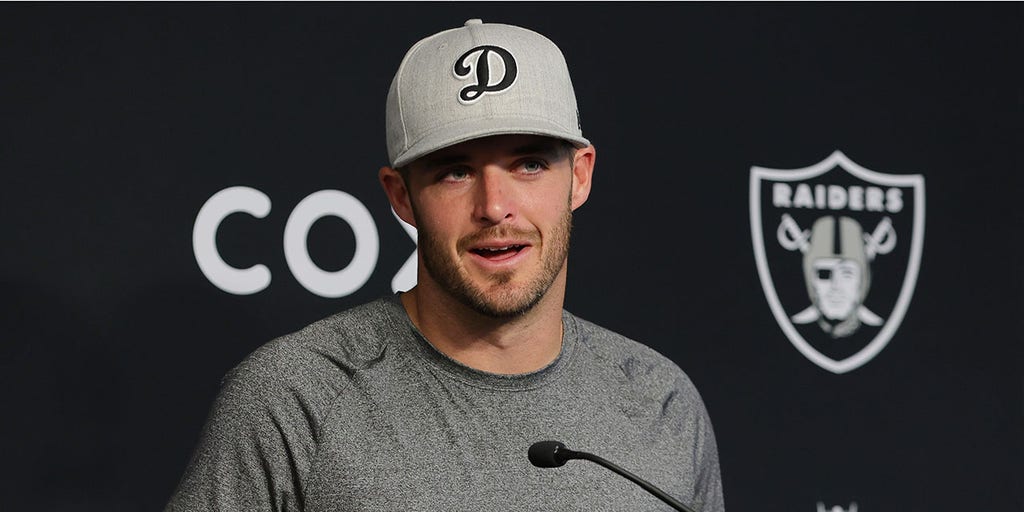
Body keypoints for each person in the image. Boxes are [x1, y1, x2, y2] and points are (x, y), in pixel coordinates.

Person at [166, 19, 725, 511]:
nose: (494, 206)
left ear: (580, 175)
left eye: (529, 163)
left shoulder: (661, 403)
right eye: (455, 171)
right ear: (401, 195)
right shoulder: (294, 399)